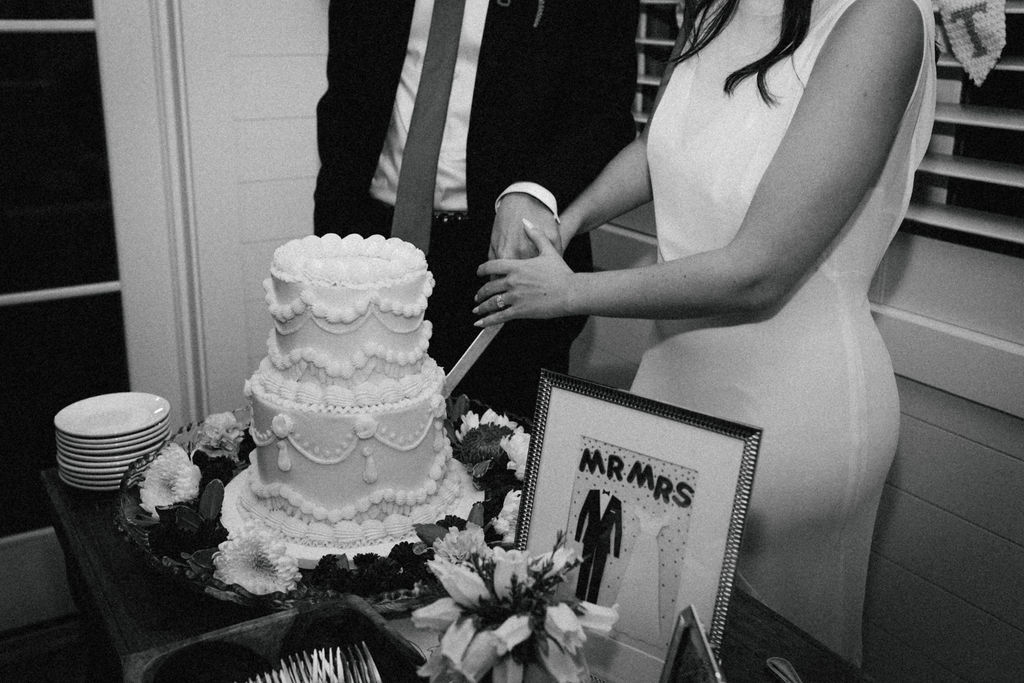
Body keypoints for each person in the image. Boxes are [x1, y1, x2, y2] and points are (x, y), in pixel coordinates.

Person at [473, 0, 936, 664]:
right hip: (668, 391)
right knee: (637, 649)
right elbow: (663, 144)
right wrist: (565, 221)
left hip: (792, 420)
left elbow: (760, 270)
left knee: (762, 658)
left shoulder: (879, 18)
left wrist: (570, 291)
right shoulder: (719, 5)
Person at [313, 0, 639, 419]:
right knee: (363, 443)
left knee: (498, 457)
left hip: (501, 256)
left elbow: (604, 108)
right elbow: (346, 96)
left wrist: (537, 190)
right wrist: (332, 242)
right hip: (370, 243)